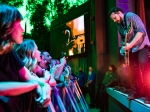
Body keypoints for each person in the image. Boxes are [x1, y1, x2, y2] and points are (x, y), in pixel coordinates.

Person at [0, 4, 51, 112]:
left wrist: (44, 85)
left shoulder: (10, 52)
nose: (22, 29)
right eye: (18, 24)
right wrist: (36, 85)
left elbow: (28, 77)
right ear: (7, 25)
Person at [109, 7, 150, 104]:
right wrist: (123, 48)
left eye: (115, 18)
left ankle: (148, 94)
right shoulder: (118, 25)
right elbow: (124, 38)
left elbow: (141, 32)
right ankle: (138, 92)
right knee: (133, 70)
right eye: (113, 19)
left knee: (145, 68)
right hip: (132, 49)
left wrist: (130, 45)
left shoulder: (131, 16)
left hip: (143, 46)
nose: (114, 21)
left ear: (119, 13)